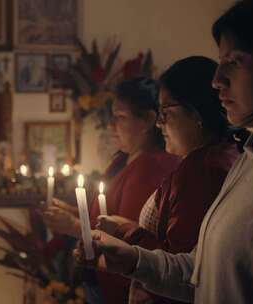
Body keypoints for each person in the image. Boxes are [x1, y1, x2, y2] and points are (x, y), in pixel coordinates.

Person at [75, 1, 253, 303]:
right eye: (220, 61)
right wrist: (134, 260)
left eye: (234, 61)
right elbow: (201, 273)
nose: (217, 79)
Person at [96, 56, 242, 304]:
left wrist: (129, 238)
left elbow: (181, 263)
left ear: (196, 112)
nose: (160, 123)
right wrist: (126, 228)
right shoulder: (207, 159)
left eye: (166, 112)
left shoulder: (203, 171)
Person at [43, 77, 180, 303]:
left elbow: (128, 235)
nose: (110, 125)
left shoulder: (152, 168)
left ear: (147, 119)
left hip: (121, 288)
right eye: (112, 116)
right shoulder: (124, 159)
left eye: (120, 117)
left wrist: (74, 226)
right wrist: (77, 214)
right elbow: (104, 216)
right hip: (101, 280)